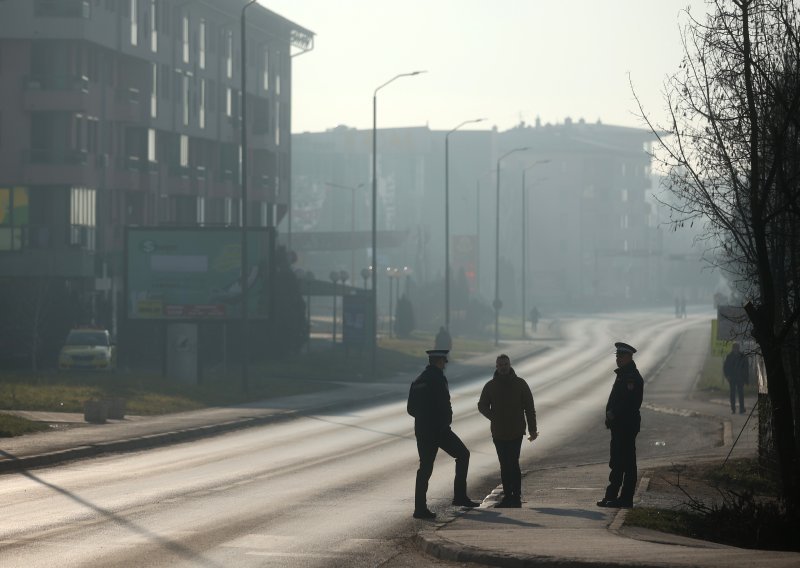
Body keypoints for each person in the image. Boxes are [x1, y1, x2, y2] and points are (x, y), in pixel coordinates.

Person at [407, 348, 479, 519]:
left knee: (425, 467)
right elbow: (444, 404)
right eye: (444, 361)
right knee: (463, 455)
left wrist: (424, 419)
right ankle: (460, 497)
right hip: (439, 430)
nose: (445, 364)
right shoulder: (438, 379)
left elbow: (411, 409)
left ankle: (419, 508)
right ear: (439, 361)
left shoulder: (418, 380)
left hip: (423, 431)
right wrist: (444, 422)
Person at [477, 354, 538, 508]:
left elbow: (529, 408)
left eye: (505, 364)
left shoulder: (520, 384)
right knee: (504, 464)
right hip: (498, 432)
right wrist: (493, 417)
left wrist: (533, 430)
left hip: (516, 431)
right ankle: (507, 496)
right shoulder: (490, 386)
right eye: (500, 365)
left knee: (513, 463)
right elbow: (482, 405)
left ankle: (515, 496)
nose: (503, 367)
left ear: (510, 365)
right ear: (496, 367)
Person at [597, 342, 644, 509]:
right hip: (619, 426)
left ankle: (625, 499)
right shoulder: (623, 375)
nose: (618, 359)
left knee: (627, 464)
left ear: (629, 357)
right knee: (617, 461)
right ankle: (611, 497)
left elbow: (629, 402)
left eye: (621, 356)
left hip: (626, 426)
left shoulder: (631, 377)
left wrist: (613, 413)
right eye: (617, 356)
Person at [723, 342, 749, 414]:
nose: (736, 350)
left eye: (737, 348)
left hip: (740, 378)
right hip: (732, 378)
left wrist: (746, 379)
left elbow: (746, 368)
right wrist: (727, 376)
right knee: (732, 394)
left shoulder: (742, 356)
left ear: (738, 348)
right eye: (735, 348)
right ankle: (733, 409)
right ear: (733, 348)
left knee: (741, 394)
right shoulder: (729, 356)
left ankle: (741, 409)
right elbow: (725, 367)